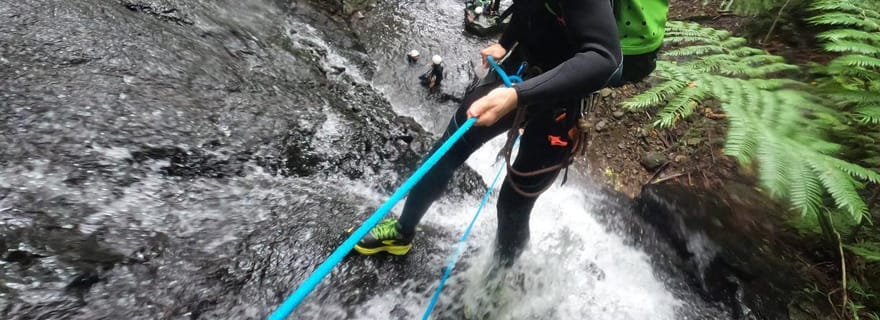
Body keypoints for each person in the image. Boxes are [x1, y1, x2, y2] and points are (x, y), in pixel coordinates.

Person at [354, 0, 624, 266]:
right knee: (445, 152)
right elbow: (529, 7)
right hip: (520, 70)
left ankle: (499, 280)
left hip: (564, 102)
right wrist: (505, 43)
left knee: (513, 202)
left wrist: (517, 95)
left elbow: (604, 57)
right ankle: (402, 232)